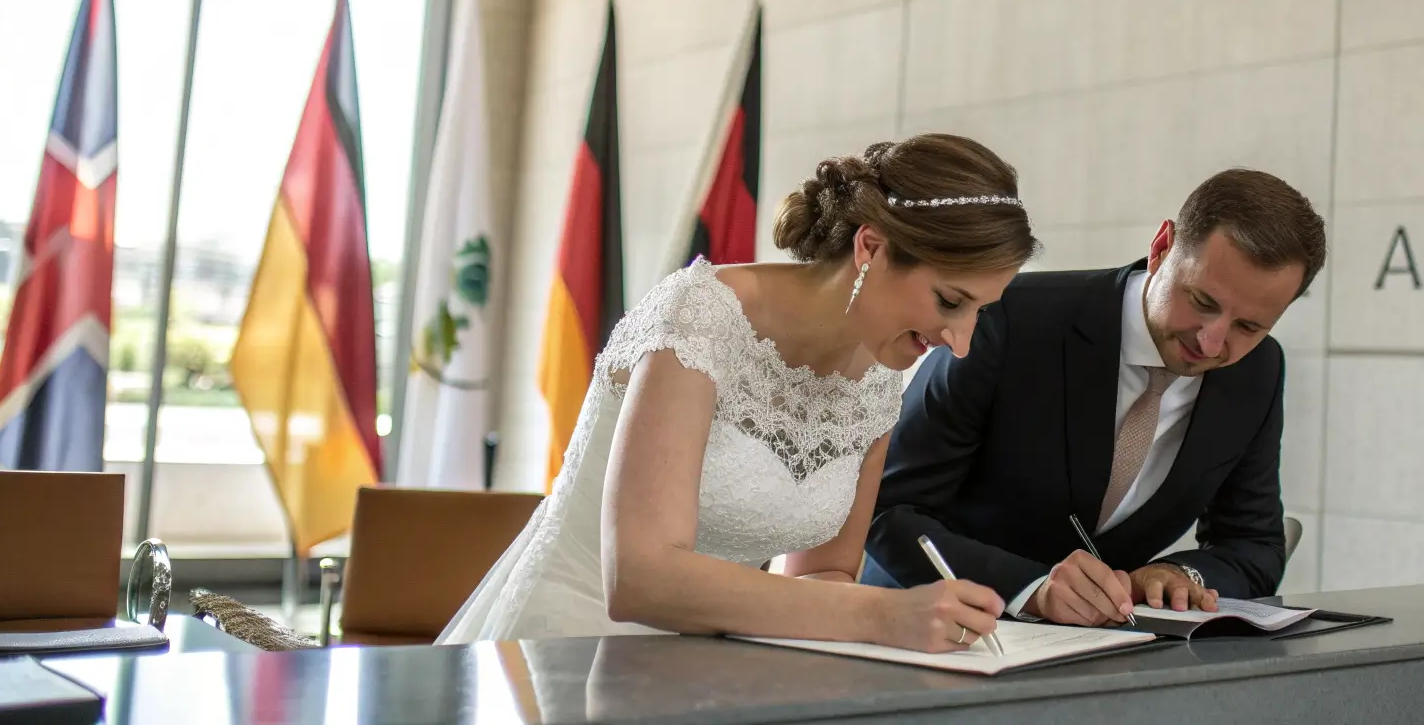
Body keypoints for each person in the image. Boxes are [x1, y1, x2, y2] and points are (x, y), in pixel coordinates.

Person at [440, 134, 1036, 652]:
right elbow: (639, 579)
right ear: (871, 247)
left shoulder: (879, 379)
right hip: (570, 645)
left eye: (980, 312)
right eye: (950, 301)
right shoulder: (700, 316)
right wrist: (881, 614)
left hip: (720, 666)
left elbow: (823, 575)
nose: (961, 342)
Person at [864, 169, 1324, 625]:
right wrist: (1032, 589)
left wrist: (1180, 574)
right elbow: (888, 508)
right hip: (929, 631)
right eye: (1202, 302)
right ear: (1161, 248)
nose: (1211, 342)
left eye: (1249, 326)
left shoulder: (1258, 371)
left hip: (1104, 653)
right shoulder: (1011, 318)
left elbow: (1254, 544)